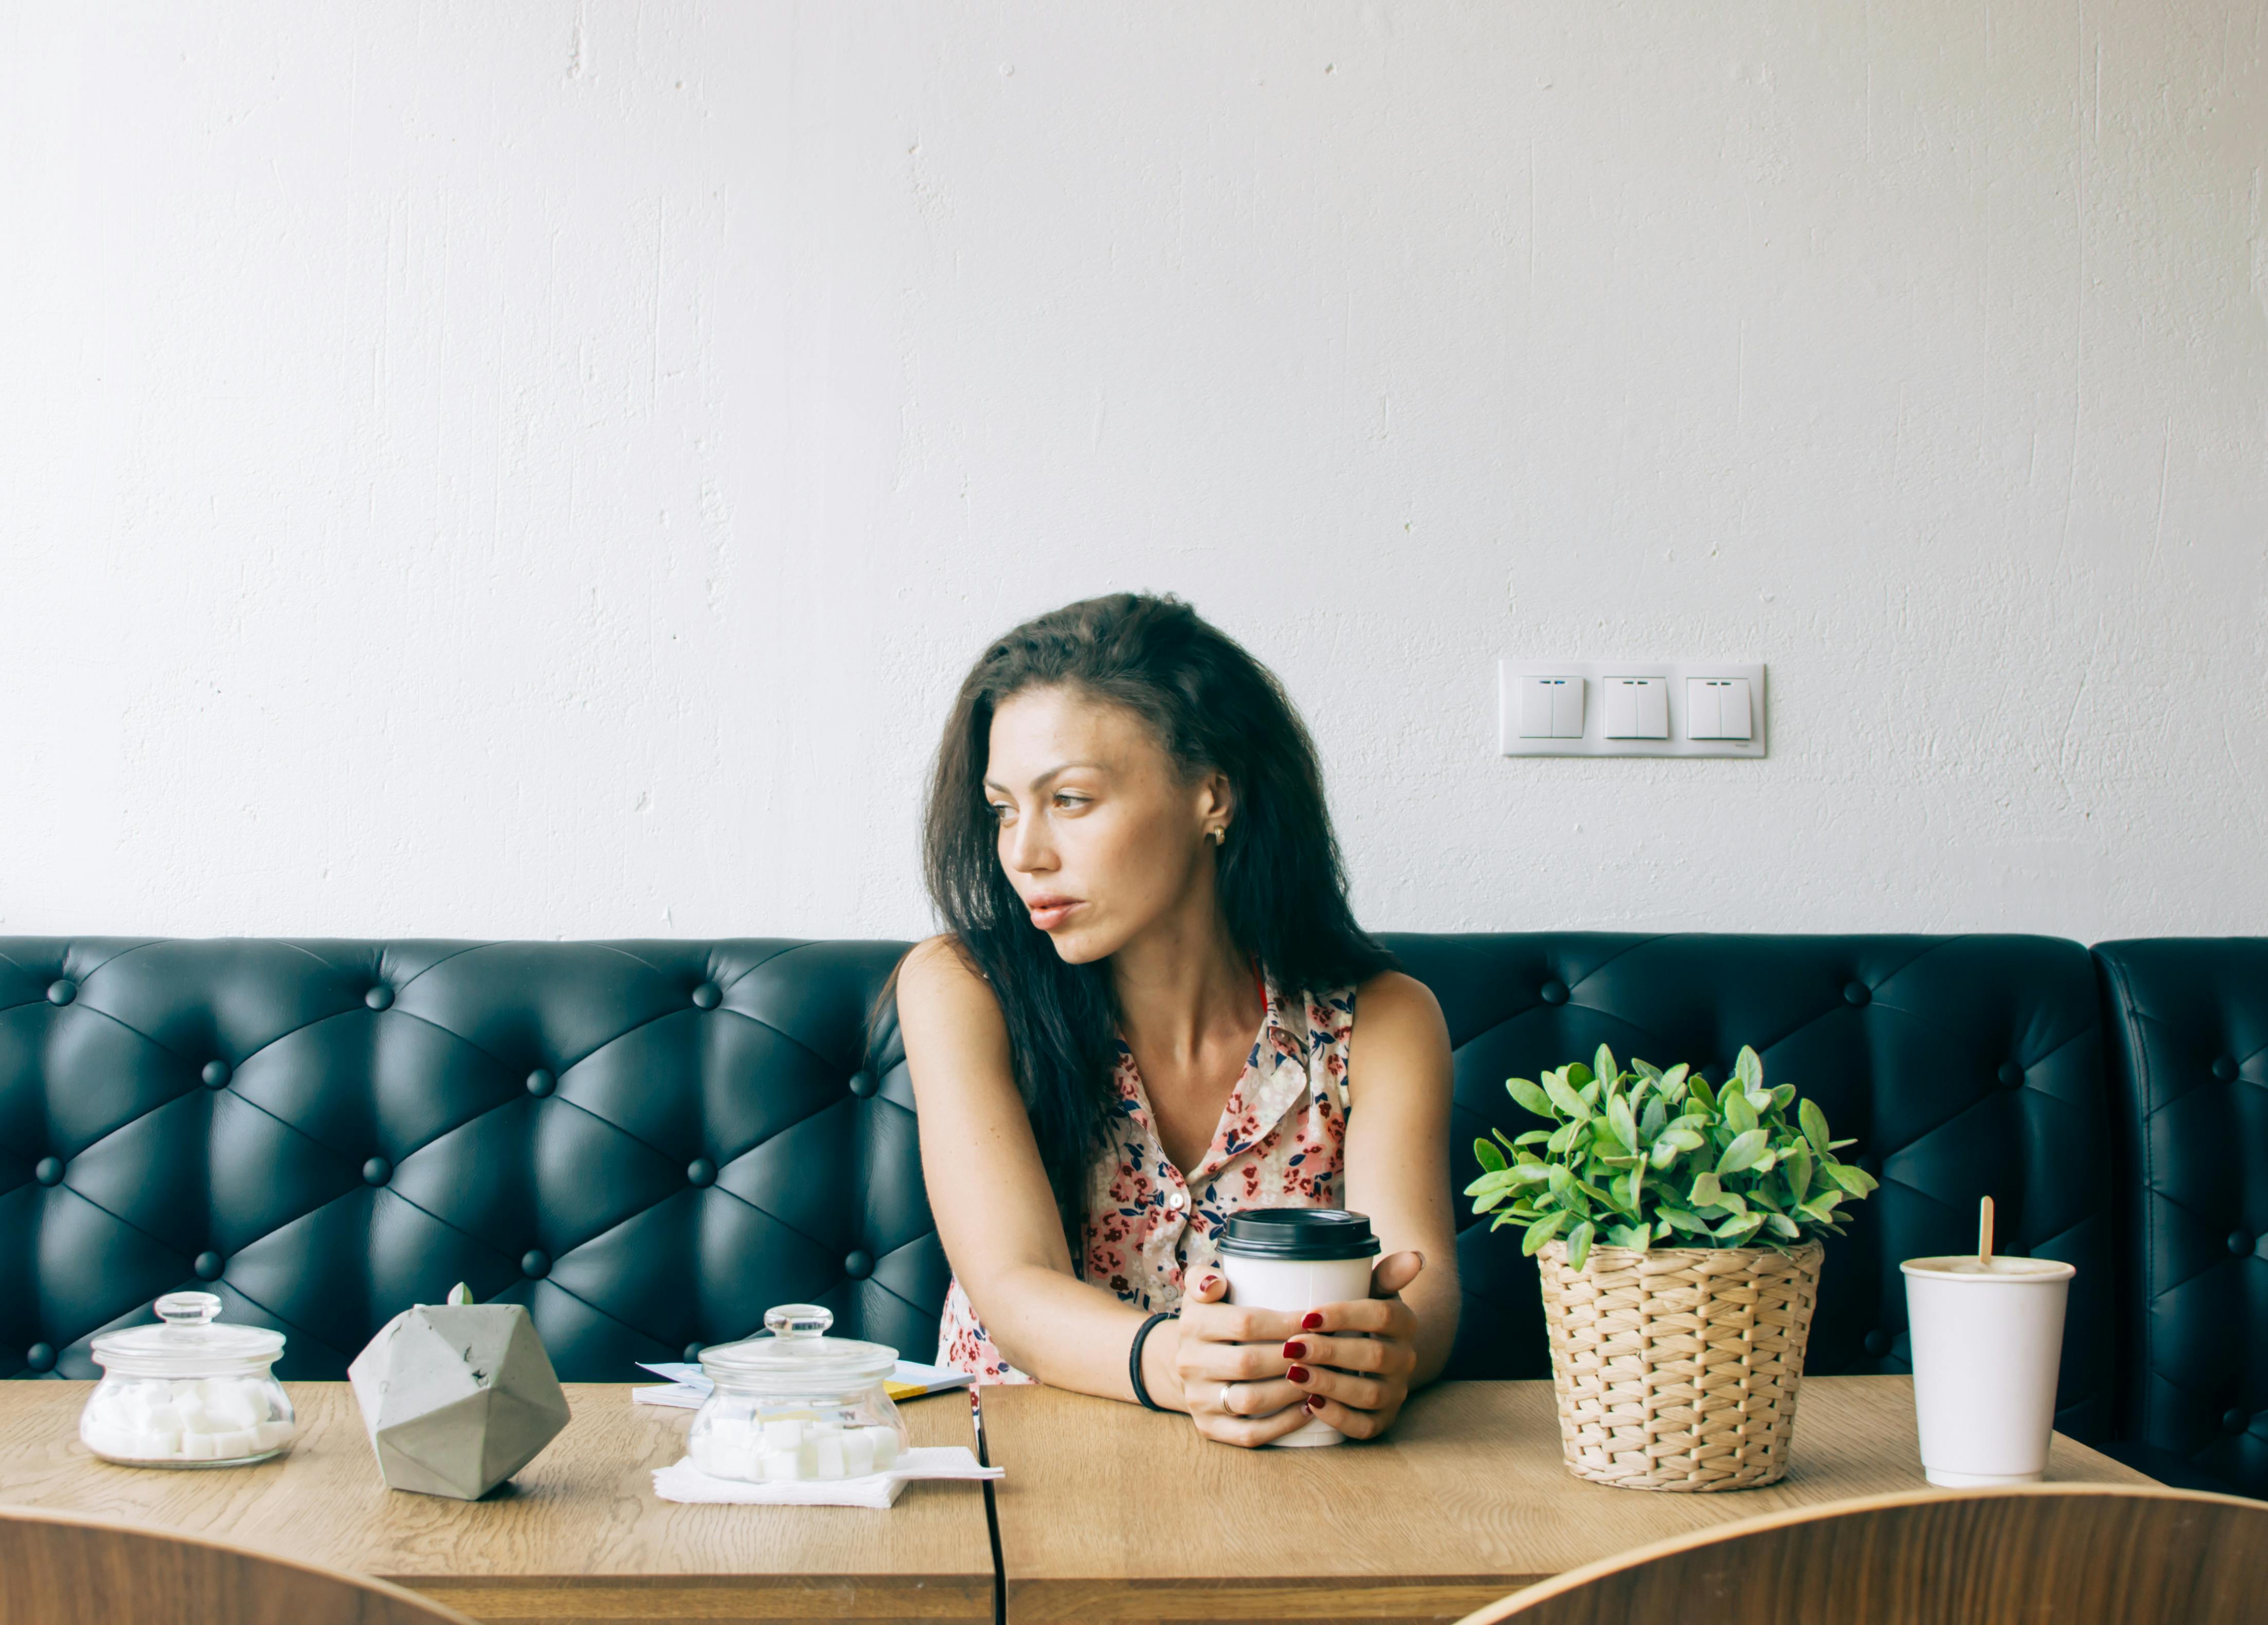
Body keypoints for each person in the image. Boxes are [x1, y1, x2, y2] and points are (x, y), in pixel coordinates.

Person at [884, 592, 1460, 1448]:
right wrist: (1183, 1367)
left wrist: (1386, 1353)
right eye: (1005, 808)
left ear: (1212, 796)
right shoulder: (961, 986)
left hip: (1299, 1469)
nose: (1023, 853)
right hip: (1015, 1473)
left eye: (1070, 800)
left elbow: (1423, 1284)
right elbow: (1012, 1284)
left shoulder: (1381, 1020)